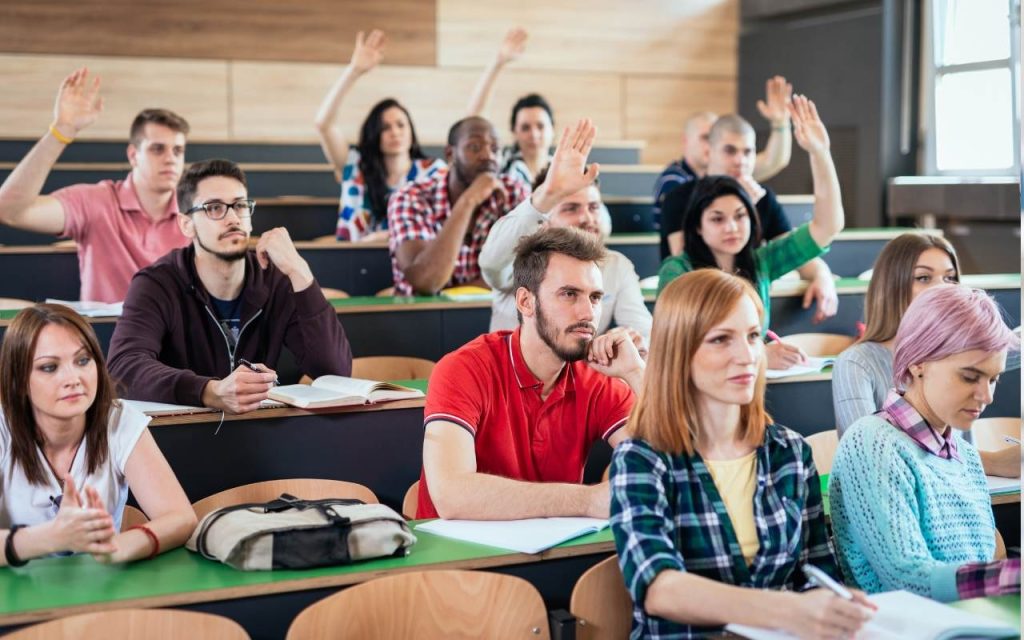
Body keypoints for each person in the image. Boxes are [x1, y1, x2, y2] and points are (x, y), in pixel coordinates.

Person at [610, 269, 874, 639]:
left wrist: (836, 610)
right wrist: (789, 610)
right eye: (721, 339)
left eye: (752, 336)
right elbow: (658, 588)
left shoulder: (790, 453)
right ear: (679, 353)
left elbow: (817, 571)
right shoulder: (642, 459)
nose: (747, 355)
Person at [417, 227, 646, 519]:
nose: (588, 313)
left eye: (596, 297)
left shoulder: (598, 375)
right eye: (569, 294)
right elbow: (452, 496)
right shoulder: (462, 368)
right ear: (526, 301)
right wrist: (588, 501)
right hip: (454, 558)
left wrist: (636, 372)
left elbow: (671, 470)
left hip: (552, 556)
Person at [107, 159, 353, 413]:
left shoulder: (276, 279)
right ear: (186, 224)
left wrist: (300, 272)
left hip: (260, 432)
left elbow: (335, 373)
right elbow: (124, 368)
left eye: (240, 205)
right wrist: (208, 391)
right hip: (184, 435)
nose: (233, 218)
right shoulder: (157, 283)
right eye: (214, 208)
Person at [830, 285, 1021, 602]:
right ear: (918, 362)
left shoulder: (965, 456)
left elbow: (986, 557)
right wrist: (1011, 576)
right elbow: (908, 578)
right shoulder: (872, 444)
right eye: (970, 377)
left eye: (993, 378)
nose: (987, 396)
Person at [0, 304, 196, 565]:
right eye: (49, 367)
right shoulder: (3, 425)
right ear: (18, 379)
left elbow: (180, 517)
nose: (73, 378)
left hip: (99, 591)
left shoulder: (117, 419)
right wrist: (51, 538)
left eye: (82, 361)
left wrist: (122, 545)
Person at [658, 97, 843, 370]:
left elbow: (826, 228)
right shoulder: (677, 270)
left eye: (741, 216)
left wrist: (820, 153)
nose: (732, 227)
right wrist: (760, 355)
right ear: (698, 225)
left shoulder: (760, 261)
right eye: (717, 219)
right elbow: (681, 343)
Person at [831, 233, 1020, 477]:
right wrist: (993, 462)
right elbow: (869, 456)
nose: (942, 287)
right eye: (923, 277)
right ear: (892, 286)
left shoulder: (967, 352)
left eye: (950, 278)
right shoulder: (856, 363)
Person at [0, 69, 191, 303]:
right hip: (107, 336)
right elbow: (9, 211)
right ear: (133, 155)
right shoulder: (96, 201)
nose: (170, 158)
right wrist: (62, 131)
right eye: (157, 149)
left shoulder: (195, 211)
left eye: (178, 151)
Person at [479, 119, 651, 340]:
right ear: (544, 221)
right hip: (509, 373)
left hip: (577, 374)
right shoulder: (519, 259)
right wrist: (548, 194)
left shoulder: (617, 265)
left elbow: (645, 333)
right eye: (571, 208)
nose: (587, 218)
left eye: (593, 207)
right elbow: (490, 263)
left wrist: (633, 341)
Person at [465, 29, 614, 236]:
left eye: (540, 126)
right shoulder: (501, 166)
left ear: (553, 130)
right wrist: (498, 63)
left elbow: (603, 223)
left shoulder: (568, 169)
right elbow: (472, 125)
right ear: (514, 132)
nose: (534, 134)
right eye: (525, 127)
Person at [314, 30, 445, 242]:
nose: (395, 132)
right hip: (351, 265)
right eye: (385, 127)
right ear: (374, 134)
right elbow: (323, 124)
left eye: (401, 125)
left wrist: (382, 238)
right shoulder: (356, 165)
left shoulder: (433, 173)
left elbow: (442, 228)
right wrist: (354, 71)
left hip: (411, 267)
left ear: (411, 131)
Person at [388, 116, 529, 296]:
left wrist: (453, 293)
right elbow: (426, 280)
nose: (488, 155)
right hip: (421, 318)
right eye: (475, 147)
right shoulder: (410, 197)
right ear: (450, 154)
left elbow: (522, 275)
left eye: (495, 149)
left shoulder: (513, 192)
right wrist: (468, 200)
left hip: (492, 317)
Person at [653, 76, 794, 229]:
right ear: (686, 141)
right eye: (706, 137)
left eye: (747, 152)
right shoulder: (675, 182)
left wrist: (780, 123)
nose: (740, 160)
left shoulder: (730, 171)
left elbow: (772, 161)